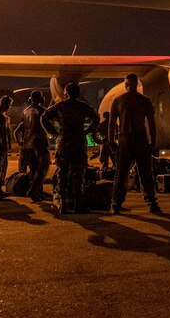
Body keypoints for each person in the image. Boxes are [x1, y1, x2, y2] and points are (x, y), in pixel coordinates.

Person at [41, 82, 99, 214]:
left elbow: (44, 118)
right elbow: (96, 118)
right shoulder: (83, 106)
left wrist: (53, 132)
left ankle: (62, 204)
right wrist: (89, 130)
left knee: (62, 173)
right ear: (78, 93)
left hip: (64, 142)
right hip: (78, 142)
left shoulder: (60, 106)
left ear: (66, 93)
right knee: (78, 175)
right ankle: (78, 204)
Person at [108, 73, 162, 214]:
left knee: (121, 174)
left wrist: (111, 141)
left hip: (125, 140)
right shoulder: (145, 100)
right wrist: (153, 142)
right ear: (137, 84)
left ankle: (116, 204)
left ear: (126, 85)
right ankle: (152, 203)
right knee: (146, 173)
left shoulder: (118, 100)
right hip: (141, 139)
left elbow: (112, 123)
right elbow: (151, 123)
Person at [13, 90, 51, 202]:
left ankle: (37, 193)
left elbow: (20, 129)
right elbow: (48, 126)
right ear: (40, 99)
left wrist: (20, 142)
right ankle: (34, 190)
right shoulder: (42, 111)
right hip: (39, 143)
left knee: (33, 168)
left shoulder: (25, 111)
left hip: (28, 144)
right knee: (43, 167)